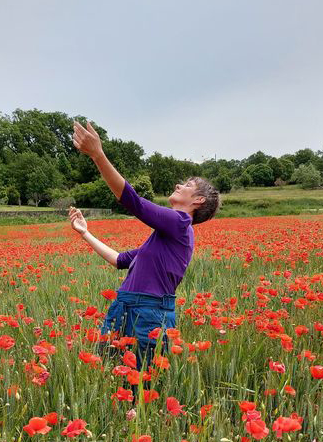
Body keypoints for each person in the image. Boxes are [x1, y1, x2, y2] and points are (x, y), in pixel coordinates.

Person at [69, 120, 220, 374]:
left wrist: (98, 155)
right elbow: (119, 260)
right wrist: (85, 233)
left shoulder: (181, 223)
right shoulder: (165, 237)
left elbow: (134, 203)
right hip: (125, 306)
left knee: (141, 383)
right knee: (112, 376)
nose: (178, 185)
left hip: (148, 313)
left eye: (186, 185)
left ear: (198, 200)